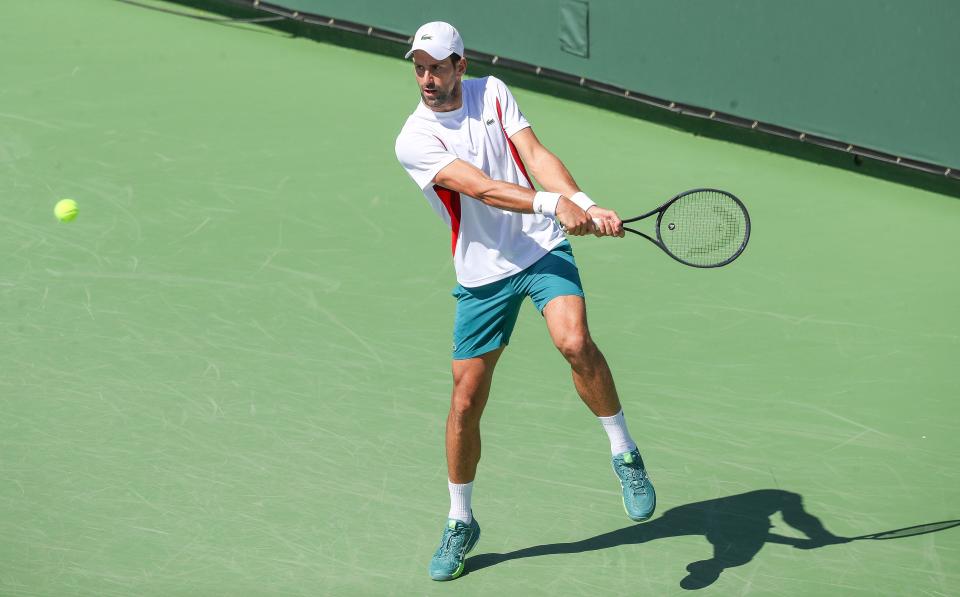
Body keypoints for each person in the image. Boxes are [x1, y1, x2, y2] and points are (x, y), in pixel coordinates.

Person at [394, 21, 656, 582]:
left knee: (574, 341)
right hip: (482, 273)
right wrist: (551, 205)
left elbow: (534, 154)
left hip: (540, 251)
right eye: (419, 67)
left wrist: (583, 202)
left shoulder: (493, 92)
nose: (426, 78)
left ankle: (624, 453)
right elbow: (481, 188)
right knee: (466, 401)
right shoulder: (413, 139)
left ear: (461, 66)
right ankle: (460, 519)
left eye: (437, 67)